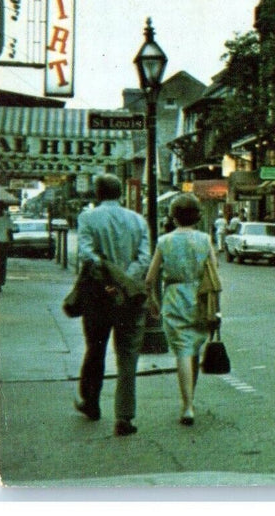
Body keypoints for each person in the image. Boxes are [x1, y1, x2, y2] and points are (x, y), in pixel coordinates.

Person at [74, 174, 151, 437]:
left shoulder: (88, 218)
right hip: (130, 297)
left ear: (97, 193)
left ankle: (91, 403)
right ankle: (125, 417)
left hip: (98, 295)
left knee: (95, 349)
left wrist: (109, 277)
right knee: (128, 356)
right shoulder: (138, 220)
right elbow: (144, 258)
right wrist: (125, 280)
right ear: (119, 193)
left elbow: (86, 254)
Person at [145, 194, 216, 426]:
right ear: (197, 216)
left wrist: (153, 300)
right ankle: (191, 399)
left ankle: (187, 406)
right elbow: (213, 272)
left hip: (174, 297)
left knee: (183, 350)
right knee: (193, 348)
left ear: (173, 217)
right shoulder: (205, 239)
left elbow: (149, 278)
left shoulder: (164, 242)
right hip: (200, 297)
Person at [0, 204, 14, 293]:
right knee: (1, 265)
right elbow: (10, 232)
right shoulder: (7, 219)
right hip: (2, 244)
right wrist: (11, 243)